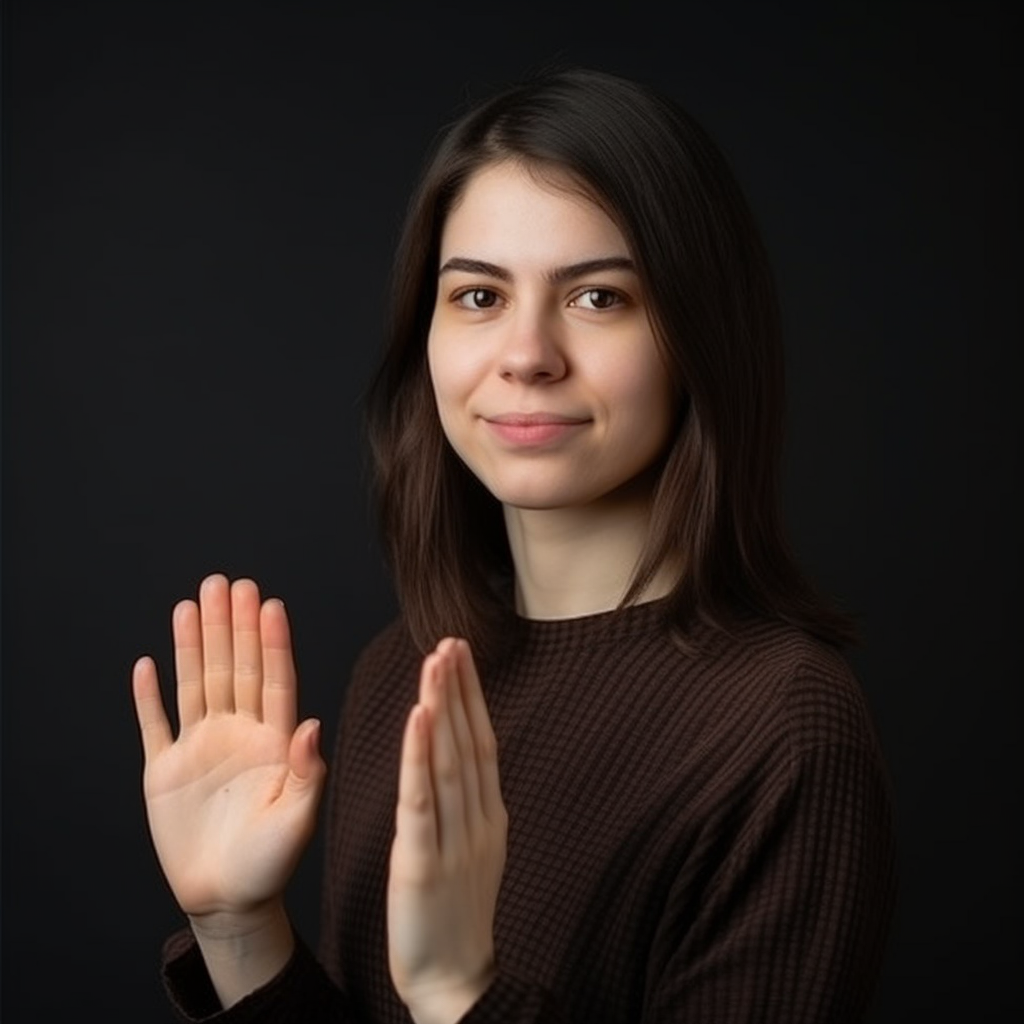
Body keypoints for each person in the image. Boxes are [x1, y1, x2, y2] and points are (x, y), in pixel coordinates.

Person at [132, 66, 897, 1023]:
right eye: (480, 297)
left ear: (699, 334)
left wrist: (462, 994)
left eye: (598, 298)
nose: (527, 354)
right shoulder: (398, 676)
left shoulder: (784, 726)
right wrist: (239, 928)